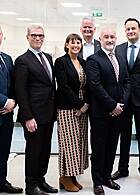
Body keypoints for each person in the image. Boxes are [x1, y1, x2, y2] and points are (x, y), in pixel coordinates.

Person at [111, 18, 140, 188]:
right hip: (123, 100)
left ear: (139, 30)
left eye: (133, 28)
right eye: (128, 29)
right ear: (125, 31)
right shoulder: (119, 49)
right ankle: (123, 168)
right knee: (123, 136)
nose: (131, 31)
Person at [85, 27, 130, 195]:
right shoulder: (93, 60)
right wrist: (112, 105)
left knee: (112, 146)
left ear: (116, 38)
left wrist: (121, 105)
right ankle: (97, 182)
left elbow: (127, 83)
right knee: (99, 149)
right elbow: (95, 86)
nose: (110, 40)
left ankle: (106, 177)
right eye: (106, 37)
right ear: (100, 39)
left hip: (118, 111)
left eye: (112, 37)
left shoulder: (120, 58)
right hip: (100, 114)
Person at [14, 25, 57, 195]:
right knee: (34, 151)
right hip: (33, 116)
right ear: (27, 37)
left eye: (41, 35)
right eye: (34, 35)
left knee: (45, 150)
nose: (38, 38)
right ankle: (31, 185)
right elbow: (21, 91)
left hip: (48, 113)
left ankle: (41, 180)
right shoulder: (22, 60)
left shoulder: (47, 57)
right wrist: (28, 117)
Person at [54, 33, 89, 192]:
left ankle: (73, 175)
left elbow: (88, 85)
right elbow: (63, 86)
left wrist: (85, 104)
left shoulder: (82, 62)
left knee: (79, 142)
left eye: (78, 43)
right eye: (72, 43)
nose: (76, 45)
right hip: (67, 107)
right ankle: (65, 177)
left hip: (83, 108)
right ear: (66, 44)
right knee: (69, 143)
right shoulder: (60, 62)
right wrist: (79, 104)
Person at [0, 26, 23, 194]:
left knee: (3, 151)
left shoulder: (6, 59)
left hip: (7, 115)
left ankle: (1, 181)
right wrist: (4, 101)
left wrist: (13, 102)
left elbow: (14, 83)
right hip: (2, 107)